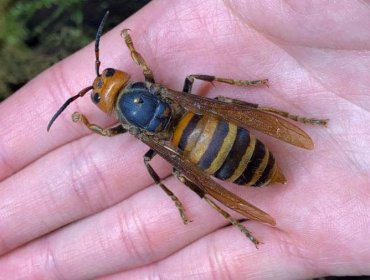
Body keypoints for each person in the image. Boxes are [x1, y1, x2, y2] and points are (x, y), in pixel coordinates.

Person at [0, 1, 369, 278]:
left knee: (173, 169)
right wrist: (131, 49)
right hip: (203, 126)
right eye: (100, 90)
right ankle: (290, 122)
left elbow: (104, 130)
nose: (102, 83)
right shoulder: (150, 84)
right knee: (217, 100)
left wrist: (85, 119)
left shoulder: (126, 124)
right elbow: (143, 70)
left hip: (198, 148)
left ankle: (234, 215)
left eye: (104, 77)